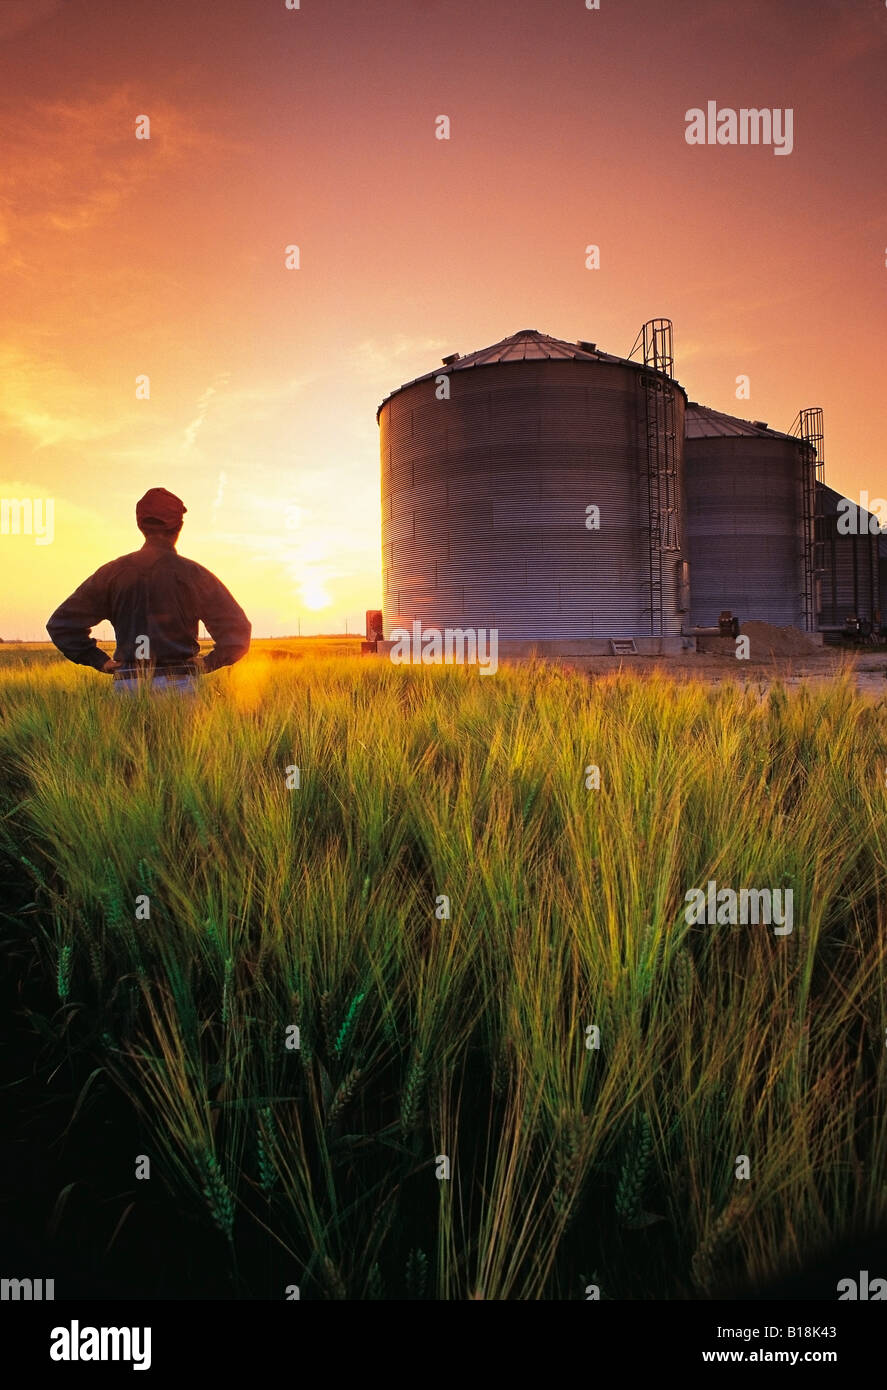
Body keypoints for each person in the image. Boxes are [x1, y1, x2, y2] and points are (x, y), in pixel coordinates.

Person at [46, 487, 251, 692]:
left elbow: (61, 625)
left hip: (128, 685)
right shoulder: (194, 574)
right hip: (180, 685)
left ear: (140, 524)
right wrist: (209, 663)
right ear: (179, 526)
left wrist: (98, 660)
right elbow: (238, 630)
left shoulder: (111, 574)